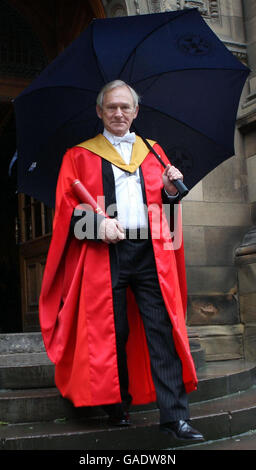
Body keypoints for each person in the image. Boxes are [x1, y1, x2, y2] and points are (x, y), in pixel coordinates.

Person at [39, 80, 204, 442]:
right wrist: (99, 225)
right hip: (104, 254)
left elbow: (166, 210)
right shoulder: (79, 156)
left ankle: (175, 418)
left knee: (161, 331)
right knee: (113, 331)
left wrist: (172, 190)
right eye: (111, 107)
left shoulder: (153, 151)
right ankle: (118, 406)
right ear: (99, 111)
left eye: (125, 107)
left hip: (150, 252)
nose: (118, 113)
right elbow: (66, 213)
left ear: (135, 111)